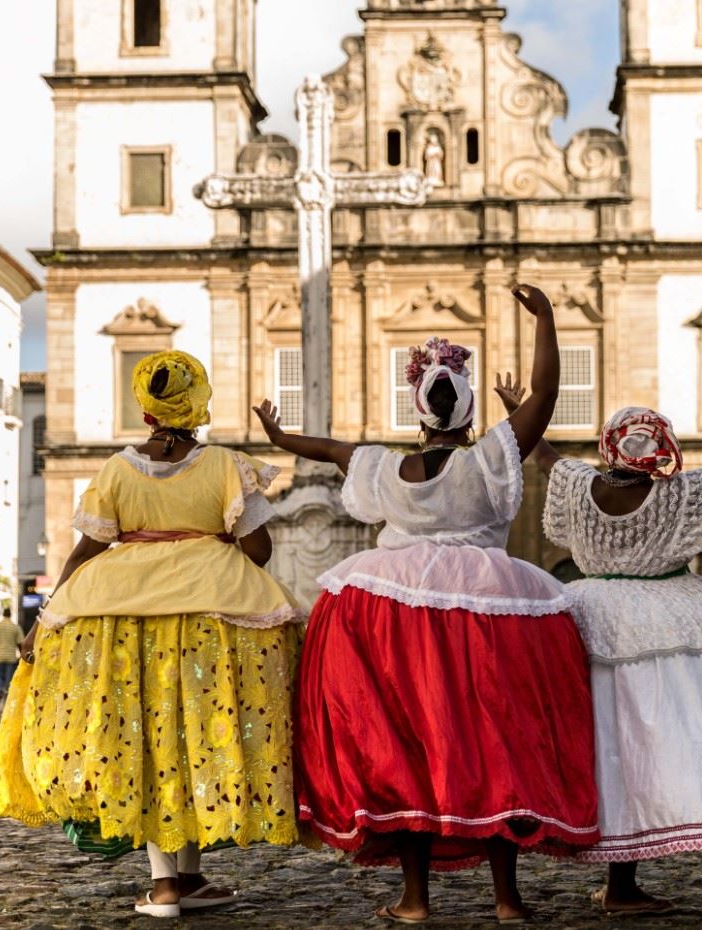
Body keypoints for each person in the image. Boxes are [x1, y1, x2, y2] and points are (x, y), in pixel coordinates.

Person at [255, 285, 599, 926]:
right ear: (468, 413)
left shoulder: (384, 468)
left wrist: (278, 433)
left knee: (407, 746)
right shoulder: (489, 458)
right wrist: (546, 319)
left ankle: (415, 900)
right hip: (490, 612)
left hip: (392, 616)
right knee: (497, 743)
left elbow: (327, 449)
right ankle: (507, 898)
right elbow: (546, 398)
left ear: (418, 413)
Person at [495, 361, 702, 915]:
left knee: (601, 746)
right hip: (667, 621)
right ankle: (625, 881)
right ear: (661, 450)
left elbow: (544, 456)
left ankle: (612, 875)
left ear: (609, 448)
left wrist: (516, 410)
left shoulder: (579, 486)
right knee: (653, 744)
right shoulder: (679, 496)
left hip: (588, 619)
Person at [0, 350, 304, 919]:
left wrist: (48, 611)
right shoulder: (226, 465)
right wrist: (208, 539)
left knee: (147, 740)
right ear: (197, 399)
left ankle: (173, 883)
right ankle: (182, 879)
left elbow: (86, 549)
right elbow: (258, 549)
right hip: (211, 615)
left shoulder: (117, 468)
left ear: (148, 407)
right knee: (192, 739)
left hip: (119, 616)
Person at [0, 607, 24, 706]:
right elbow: (20, 643)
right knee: (9, 680)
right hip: (11, 657)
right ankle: (7, 700)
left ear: (3, 614)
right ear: (10, 615)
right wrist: (22, 655)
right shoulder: (15, 627)